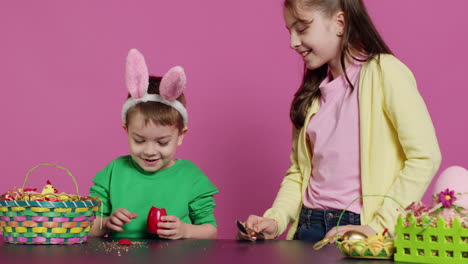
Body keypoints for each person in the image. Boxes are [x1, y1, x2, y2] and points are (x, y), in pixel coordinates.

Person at [238, 0, 441, 243]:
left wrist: (378, 226)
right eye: (290, 31)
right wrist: (276, 219)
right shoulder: (310, 97)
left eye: (302, 29)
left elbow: (425, 156)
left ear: (340, 23)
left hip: (358, 228)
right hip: (307, 226)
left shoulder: (385, 73)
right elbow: (300, 173)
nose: (292, 42)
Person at [89, 49, 218, 239]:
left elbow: (211, 231)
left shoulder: (192, 178)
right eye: (139, 140)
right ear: (126, 131)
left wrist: (185, 230)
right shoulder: (113, 173)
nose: (150, 151)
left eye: (162, 142)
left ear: (180, 135)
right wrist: (106, 223)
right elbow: (86, 227)